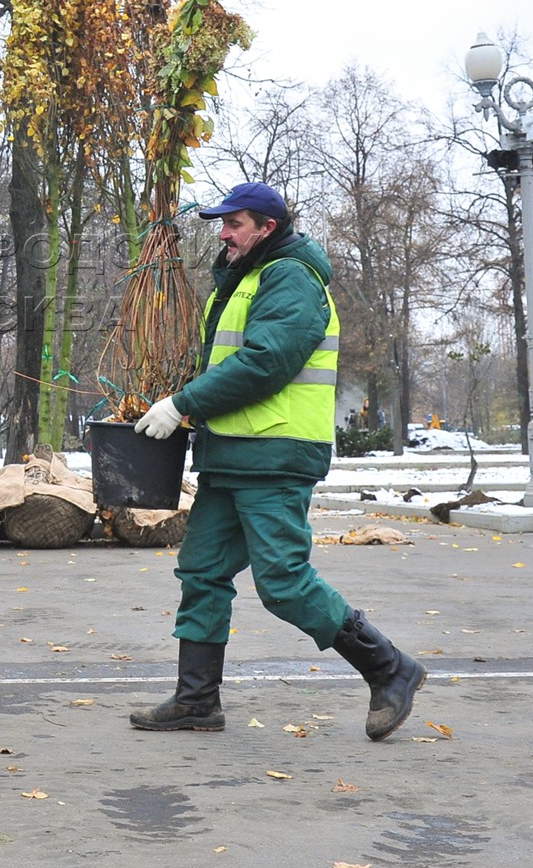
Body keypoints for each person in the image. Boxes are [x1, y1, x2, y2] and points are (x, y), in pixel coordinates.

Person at [129, 181, 426, 741]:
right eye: (221, 224)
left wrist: (183, 404)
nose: (223, 234)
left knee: (284, 582)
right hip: (233, 454)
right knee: (203, 572)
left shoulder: (289, 277)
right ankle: (197, 700)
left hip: (274, 453)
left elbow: (266, 362)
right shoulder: (246, 280)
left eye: (234, 224)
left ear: (267, 227)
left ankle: (391, 669)